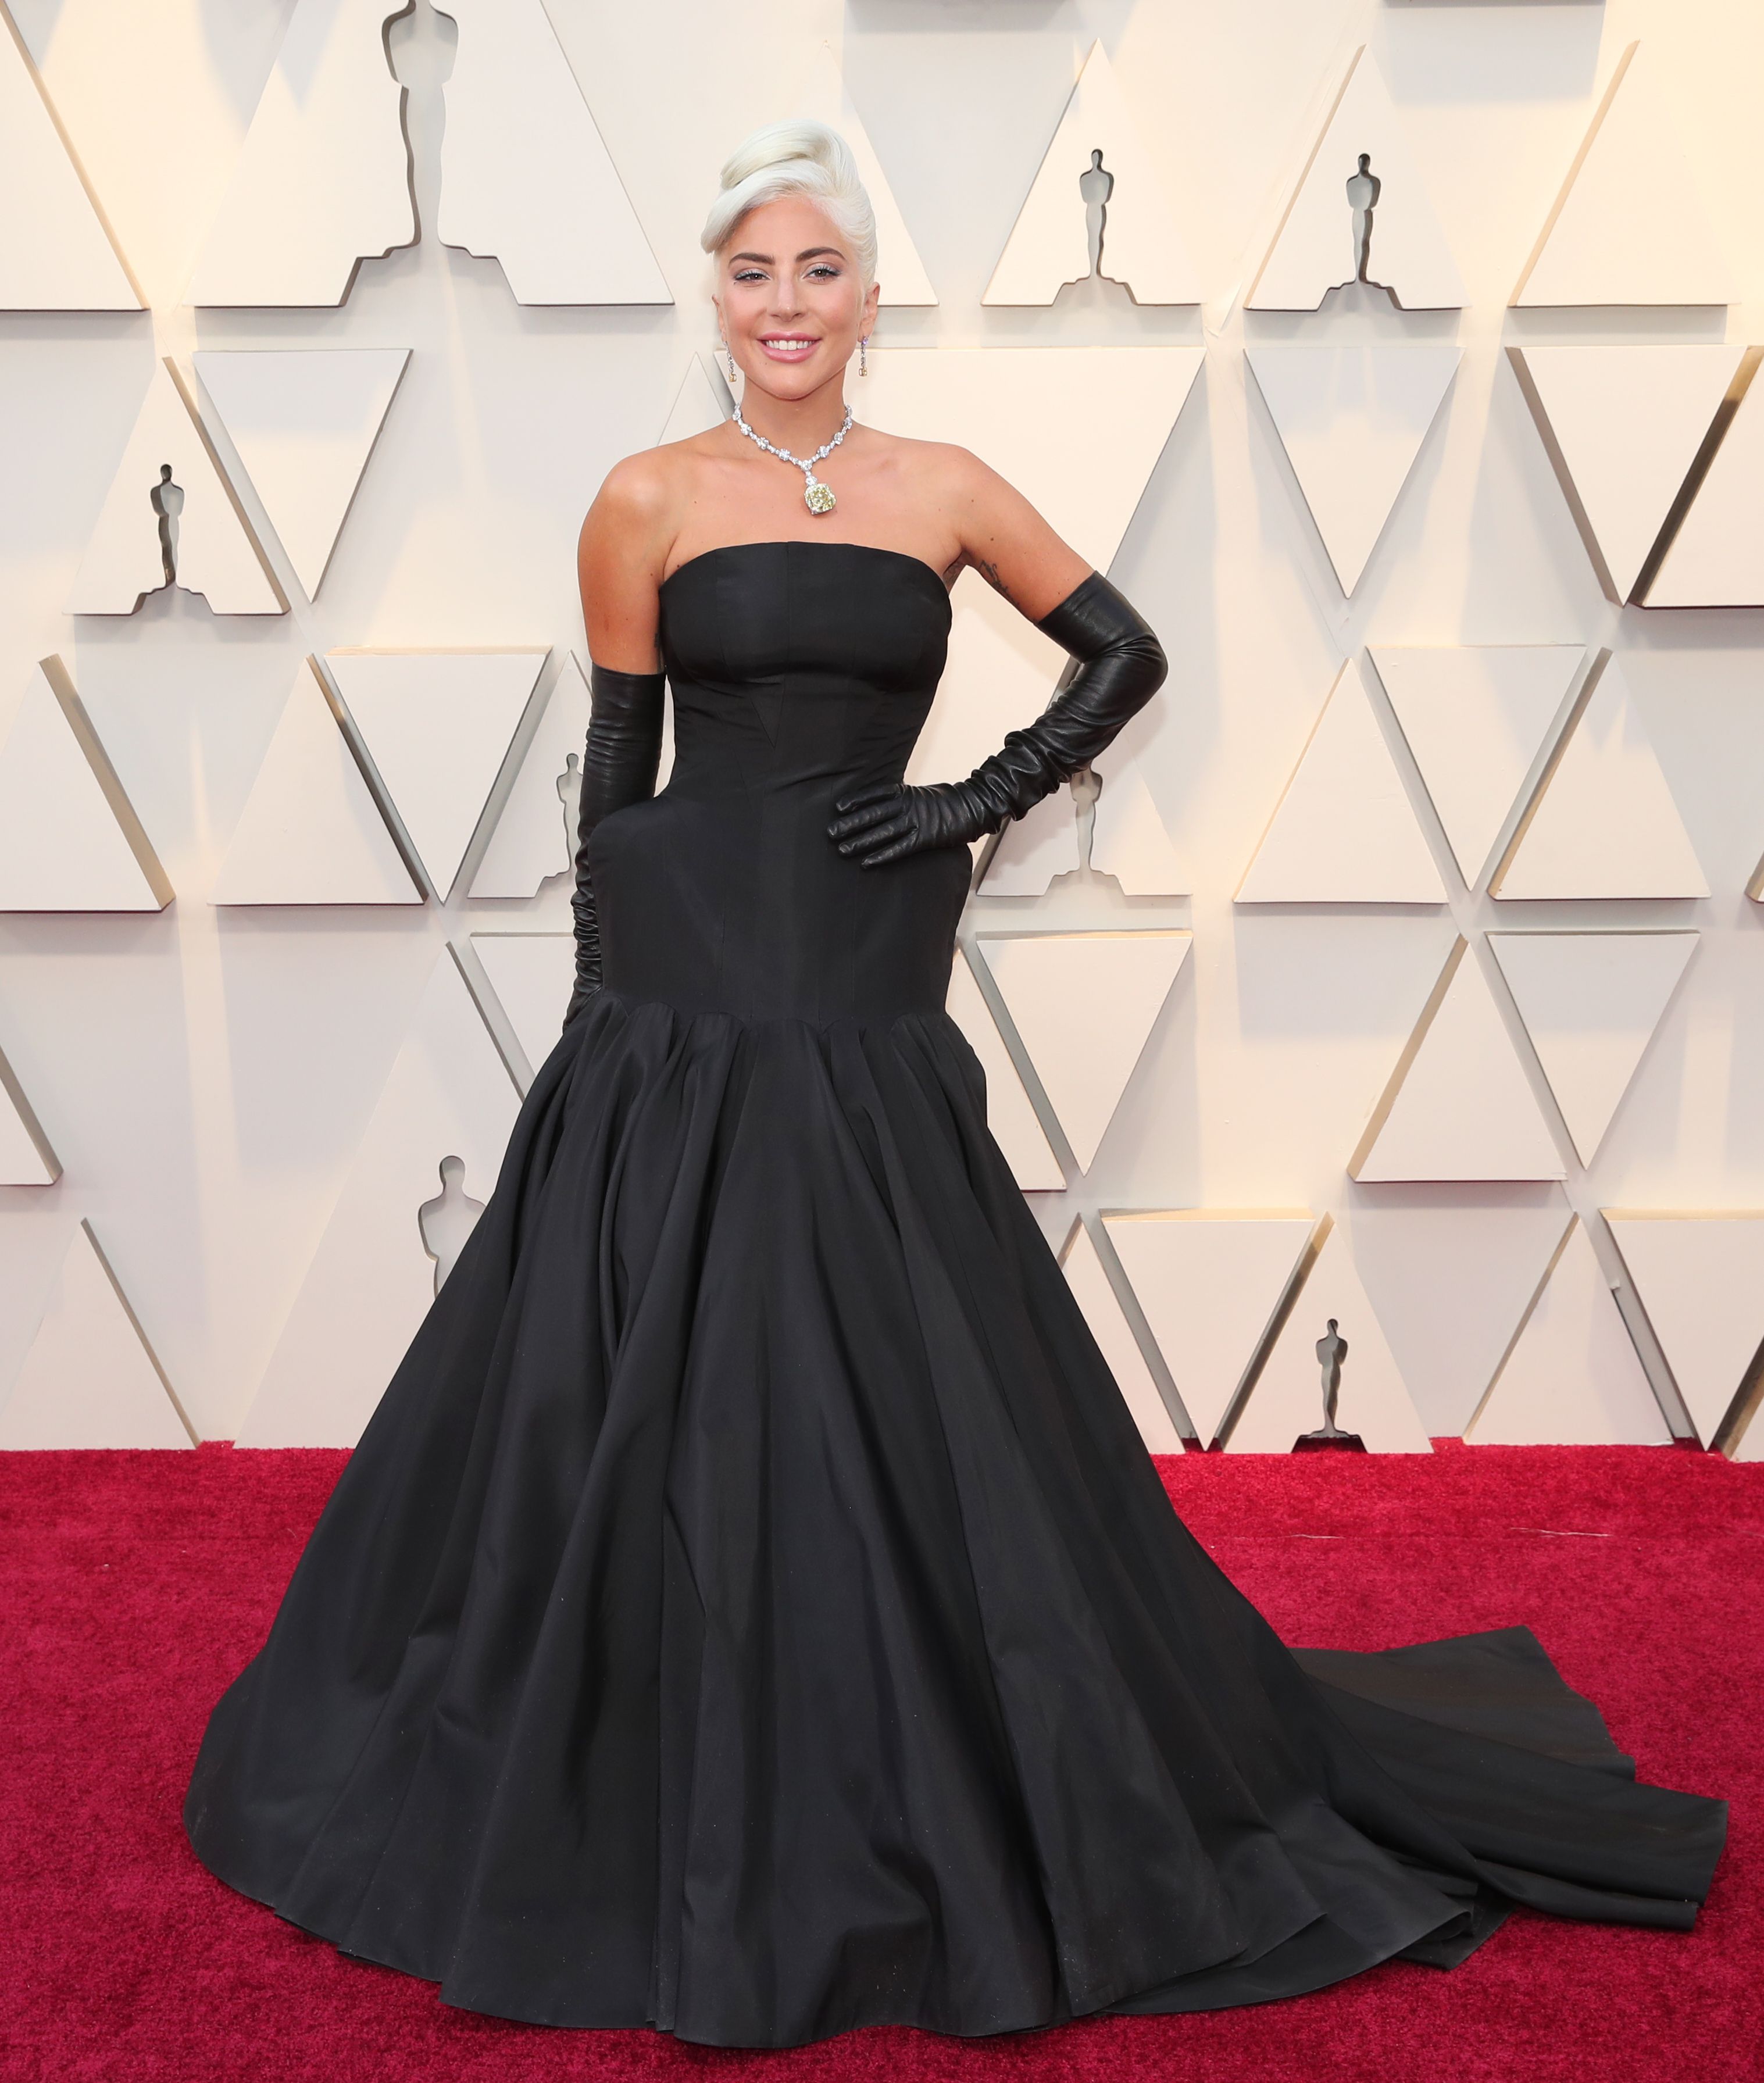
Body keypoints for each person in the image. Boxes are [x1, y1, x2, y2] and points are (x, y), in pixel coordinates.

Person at [183, 120, 1726, 2050]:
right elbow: (618, 767)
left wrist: (963, 810)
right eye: (752, 271)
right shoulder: (644, 496)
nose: (785, 304)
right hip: (683, 956)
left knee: (881, 1304)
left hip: (859, 939)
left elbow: (1122, 653)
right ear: (715, 294)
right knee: (667, 1313)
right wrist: (598, 1004)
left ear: (866, 294)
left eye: (817, 269)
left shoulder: (945, 486)